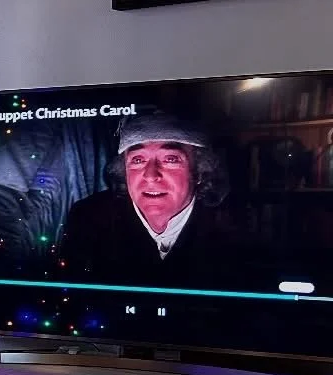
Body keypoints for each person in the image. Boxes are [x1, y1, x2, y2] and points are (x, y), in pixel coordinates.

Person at [56, 113, 246, 290]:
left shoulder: (239, 226)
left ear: (199, 171)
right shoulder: (88, 216)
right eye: (138, 160)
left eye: (171, 159)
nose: (150, 176)